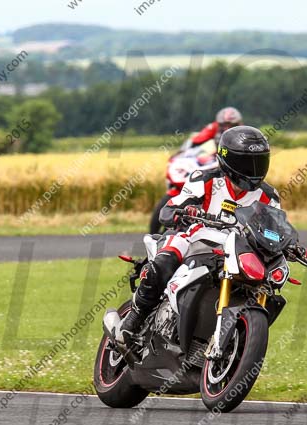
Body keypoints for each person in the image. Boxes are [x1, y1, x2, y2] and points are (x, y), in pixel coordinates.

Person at [114, 125, 289, 363]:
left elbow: (275, 229)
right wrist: (181, 211)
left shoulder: (269, 196)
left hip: (237, 250)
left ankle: (237, 344)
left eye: (260, 162)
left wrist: (288, 244)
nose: (254, 170)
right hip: (195, 236)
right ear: (229, 160)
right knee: (166, 259)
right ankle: (132, 321)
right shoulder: (205, 179)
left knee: (268, 285)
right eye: (248, 163)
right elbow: (170, 207)